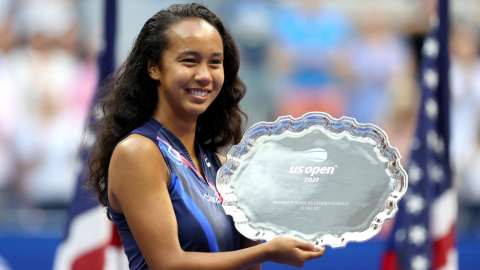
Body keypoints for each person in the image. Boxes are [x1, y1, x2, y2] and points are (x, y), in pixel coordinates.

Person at [87, 3, 326, 270]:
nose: (204, 75)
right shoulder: (138, 152)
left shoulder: (224, 167)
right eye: (189, 61)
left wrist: (260, 222)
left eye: (215, 63)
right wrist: (266, 252)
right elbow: (168, 264)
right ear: (154, 68)